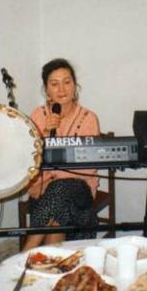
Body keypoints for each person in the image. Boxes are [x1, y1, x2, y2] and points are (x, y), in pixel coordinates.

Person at [22, 58, 101, 251]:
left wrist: (51, 179)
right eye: (54, 84)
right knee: (56, 214)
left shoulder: (89, 118)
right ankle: (52, 263)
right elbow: (28, 159)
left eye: (67, 82)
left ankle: (25, 255)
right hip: (43, 193)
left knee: (58, 191)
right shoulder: (38, 115)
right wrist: (45, 132)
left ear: (75, 85)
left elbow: (88, 167)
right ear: (46, 90)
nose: (62, 89)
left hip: (79, 191)